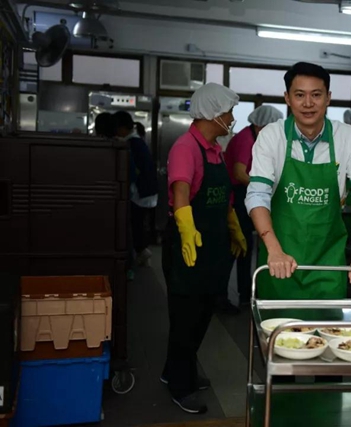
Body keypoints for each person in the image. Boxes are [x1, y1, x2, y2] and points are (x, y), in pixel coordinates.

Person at [246, 60, 351, 330]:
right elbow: (257, 195)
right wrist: (274, 250)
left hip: (327, 266)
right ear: (287, 98)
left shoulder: (348, 138)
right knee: (281, 350)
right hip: (280, 262)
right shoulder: (272, 137)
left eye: (316, 95)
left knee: (330, 347)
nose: (308, 103)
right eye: (299, 95)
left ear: (328, 98)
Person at [160, 83, 247, 414]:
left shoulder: (215, 150)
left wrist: (234, 228)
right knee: (185, 317)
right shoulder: (186, 148)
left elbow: (222, 197)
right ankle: (182, 387)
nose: (232, 117)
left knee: (204, 311)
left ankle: (174, 370)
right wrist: (186, 232)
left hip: (212, 244)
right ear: (214, 113)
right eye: (229, 112)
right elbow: (181, 193)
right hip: (188, 244)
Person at [224, 105, 284, 306]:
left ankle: (246, 294)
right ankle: (238, 297)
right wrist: (266, 187)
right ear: (260, 125)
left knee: (246, 249)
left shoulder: (256, 139)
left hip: (246, 196)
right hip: (237, 198)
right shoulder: (245, 140)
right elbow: (240, 173)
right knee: (241, 250)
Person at [114, 111, 159, 268]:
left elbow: (133, 171)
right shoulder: (137, 142)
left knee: (136, 224)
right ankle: (141, 251)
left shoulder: (131, 144)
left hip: (141, 193)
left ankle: (141, 252)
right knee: (139, 224)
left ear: (122, 128)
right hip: (147, 192)